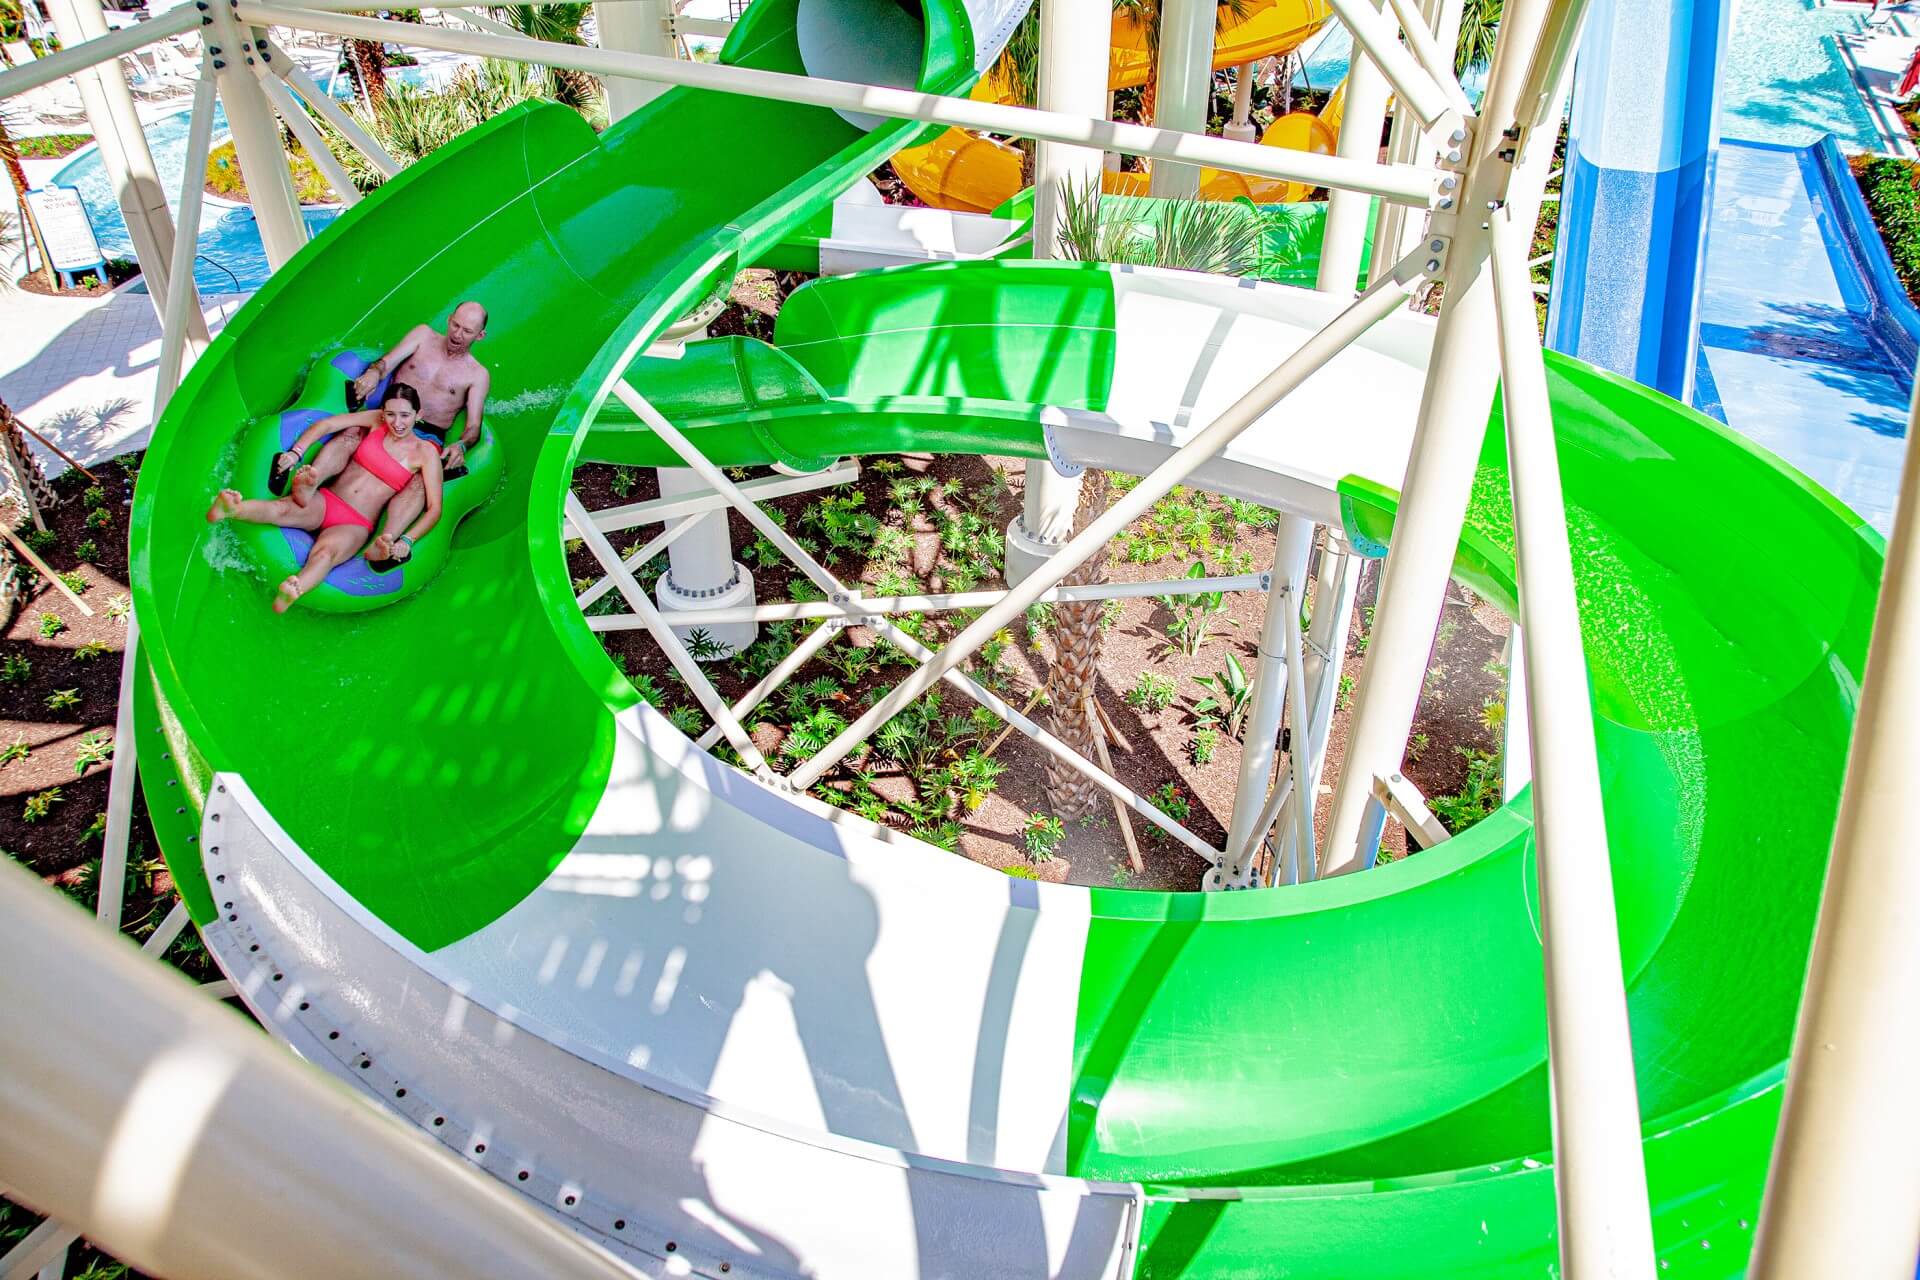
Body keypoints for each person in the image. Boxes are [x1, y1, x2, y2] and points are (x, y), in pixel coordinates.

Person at [271, 301, 489, 570]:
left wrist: (462, 445)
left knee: (420, 483)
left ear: (480, 336)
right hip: (389, 415)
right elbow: (387, 362)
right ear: (449, 319)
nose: (457, 335)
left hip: (427, 434)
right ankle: (306, 486)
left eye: (467, 331)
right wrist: (374, 373)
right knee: (351, 433)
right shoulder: (422, 336)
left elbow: (473, 427)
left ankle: (388, 542)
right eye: (455, 325)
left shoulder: (478, 375)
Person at [210, 384, 445, 613]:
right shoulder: (377, 421)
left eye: (405, 415)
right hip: (327, 500)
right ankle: (231, 509)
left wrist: (407, 540)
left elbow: (434, 509)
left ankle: (295, 588)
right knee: (282, 508)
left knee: (326, 553)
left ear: (419, 415)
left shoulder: (425, 453)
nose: (397, 422)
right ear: (383, 412)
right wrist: (296, 452)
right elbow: (328, 424)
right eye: (391, 414)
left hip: (355, 523)